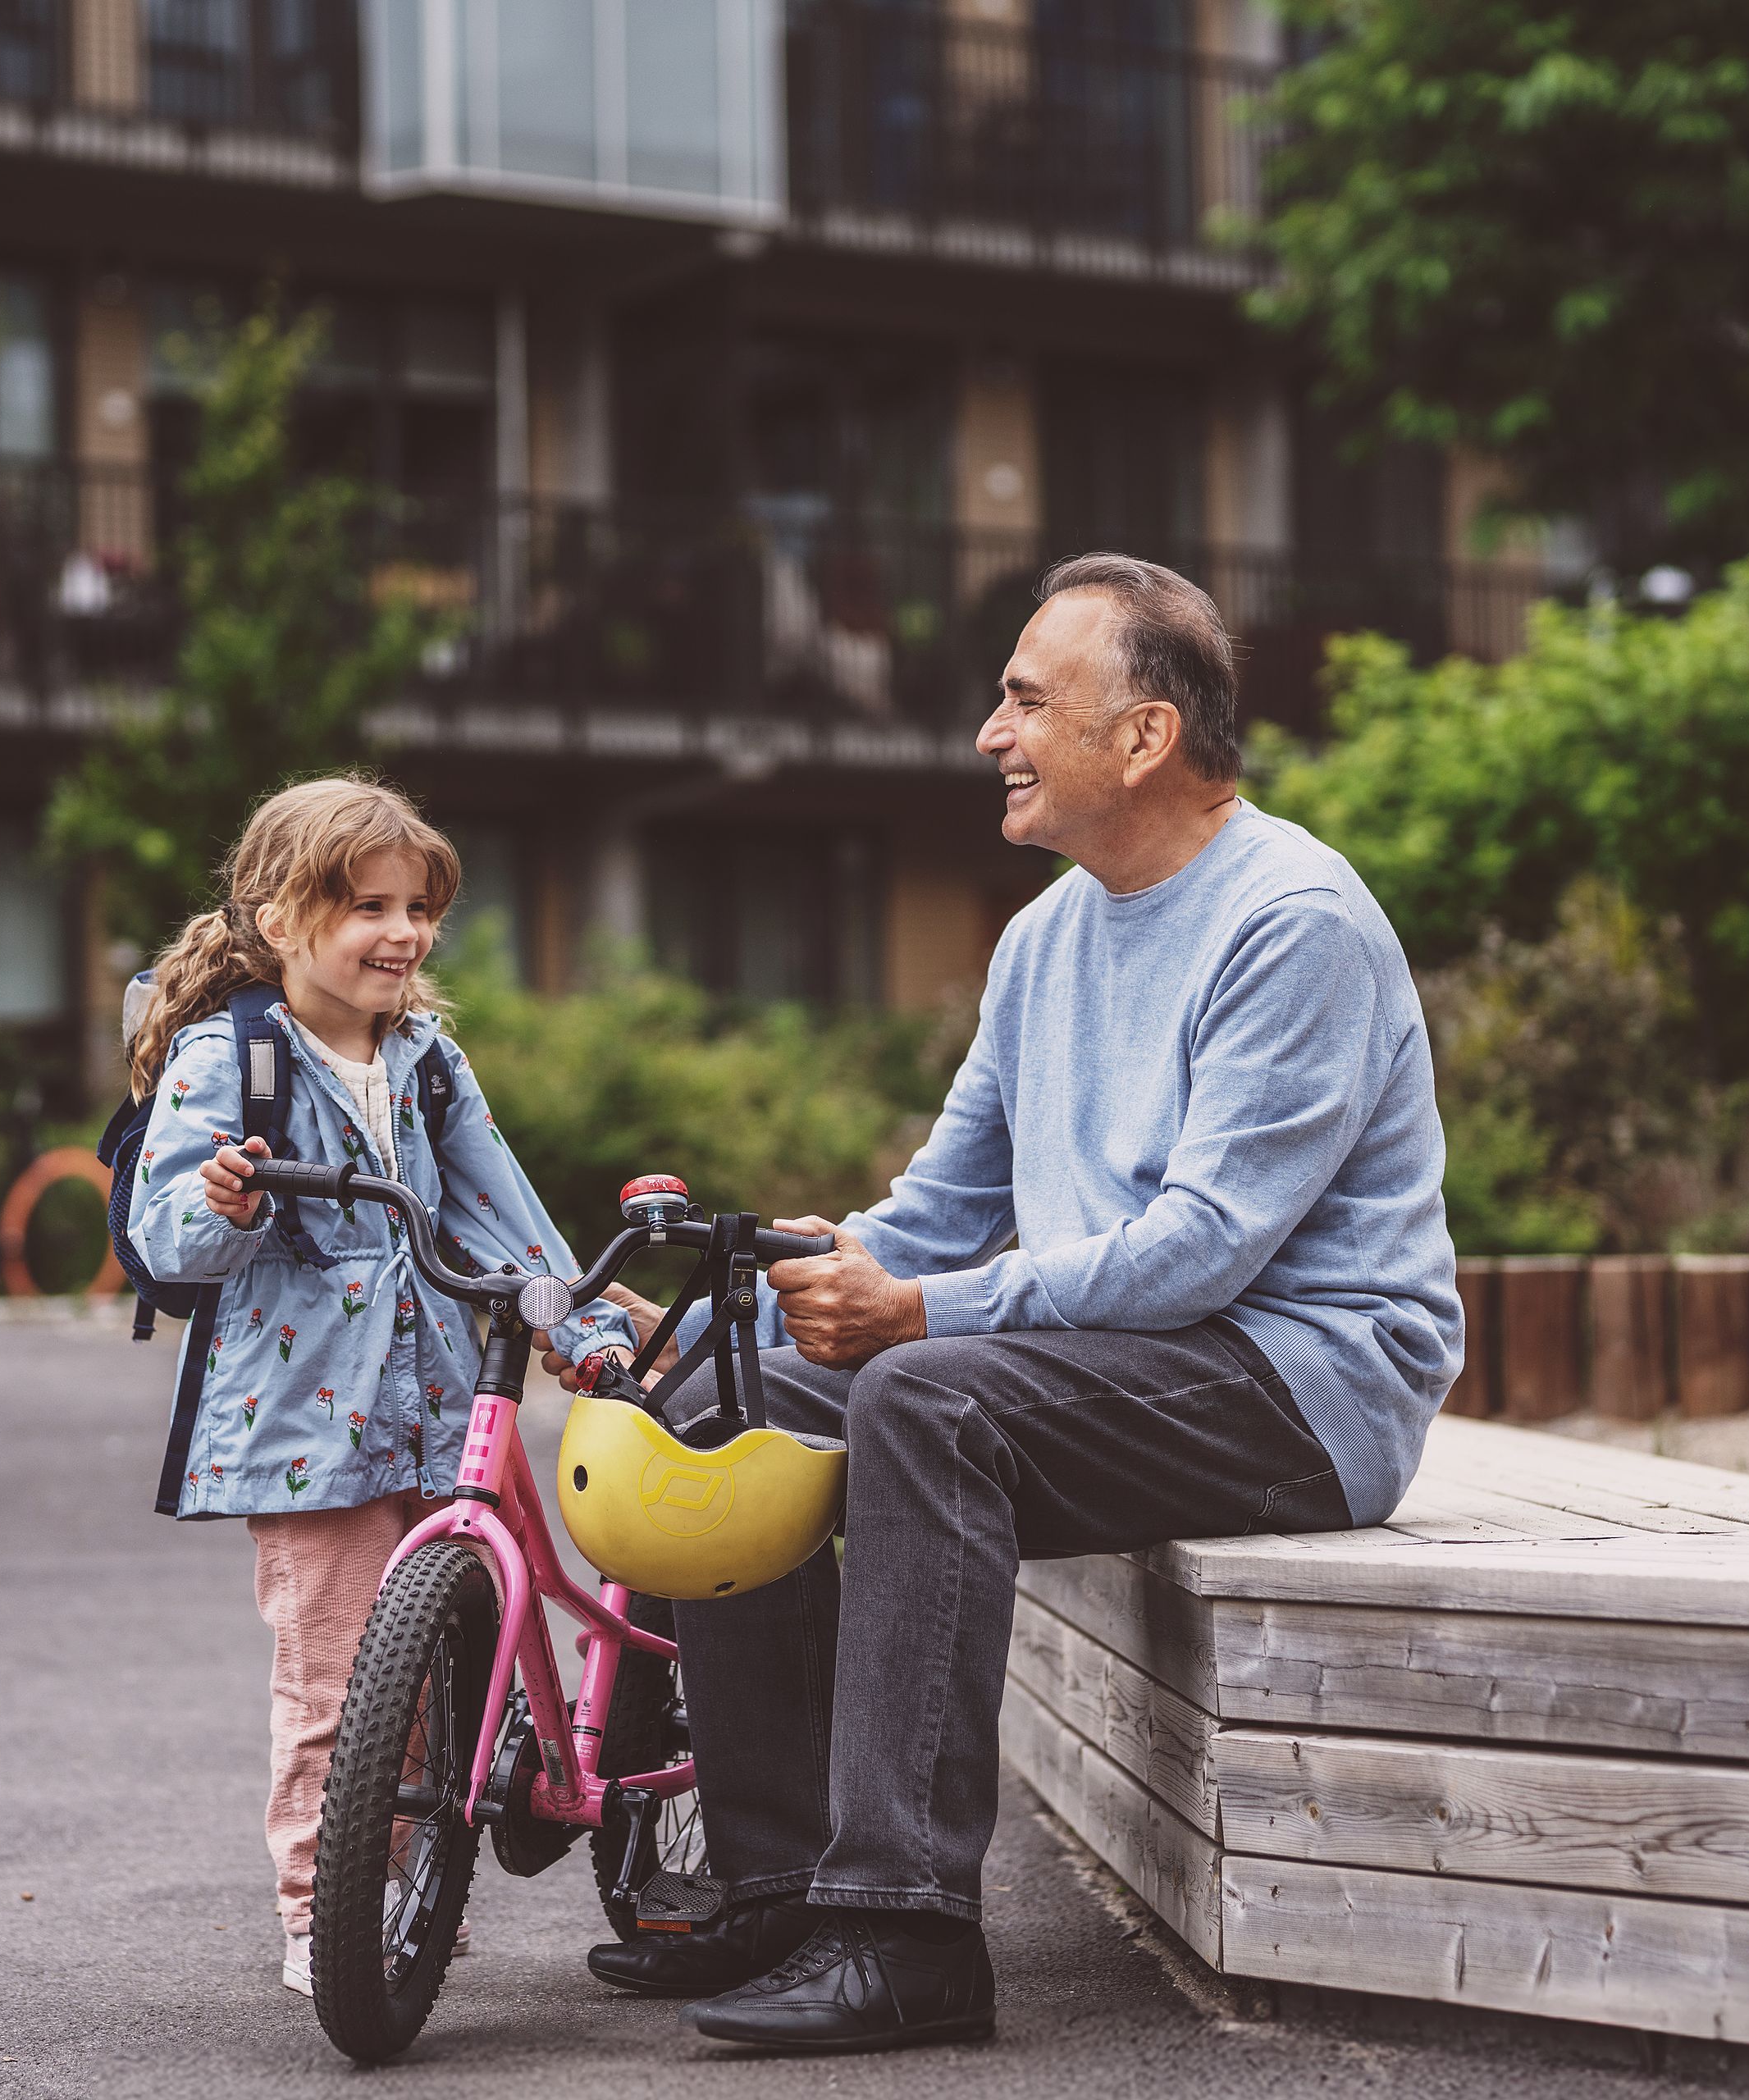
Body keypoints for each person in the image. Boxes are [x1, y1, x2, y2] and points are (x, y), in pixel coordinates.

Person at [556, 555, 1462, 2053]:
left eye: (1028, 699)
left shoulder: (1292, 919)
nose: (992, 730)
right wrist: (762, 1312)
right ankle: (777, 1885)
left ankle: (906, 1933)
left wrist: (914, 1316)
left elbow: (1204, 1252)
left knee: (927, 1397)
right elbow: (938, 1209)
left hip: (1301, 1385)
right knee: (738, 1398)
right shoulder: (1046, 935)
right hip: (1119, 1364)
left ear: (1146, 736)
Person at [126, 774, 633, 1999]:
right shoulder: (227, 1061)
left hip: (443, 1413)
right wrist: (221, 1203)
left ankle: (413, 1885)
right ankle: (328, 1915)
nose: (401, 934)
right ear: (278, 917)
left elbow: (499, 1212)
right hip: (304, 1427)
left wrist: (586, 1322)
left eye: (417, 909)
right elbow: (164, 1240)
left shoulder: (428, 1059)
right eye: (365, 907)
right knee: (336, 1682)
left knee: (438, 1671)